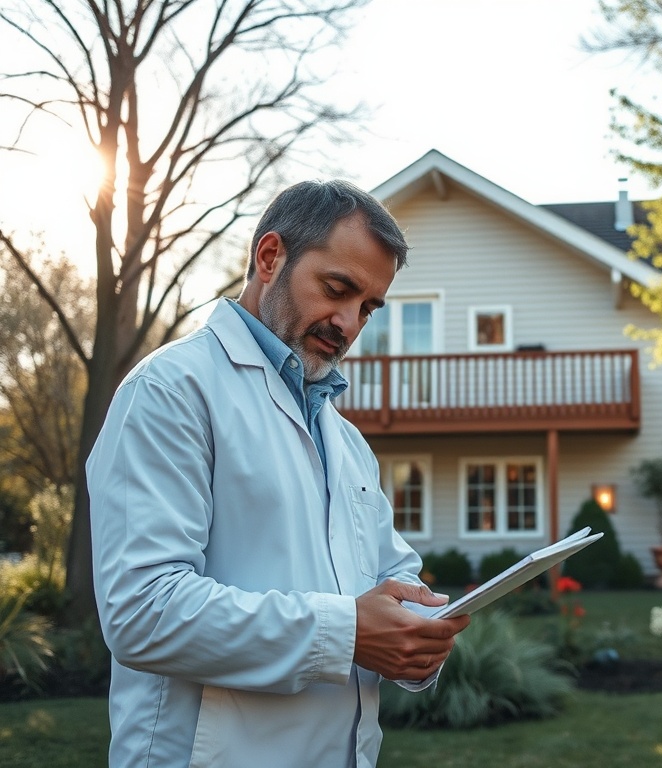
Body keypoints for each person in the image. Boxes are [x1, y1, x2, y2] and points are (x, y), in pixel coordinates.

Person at [87, 179, 471, 768]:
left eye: (367, 307)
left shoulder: (345, 439)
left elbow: (387, 575)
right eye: (337, 289)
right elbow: (142, 610)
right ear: (270, 257)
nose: (347, 324)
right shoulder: (170, 391)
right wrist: (347, 633)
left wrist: (417, 635)